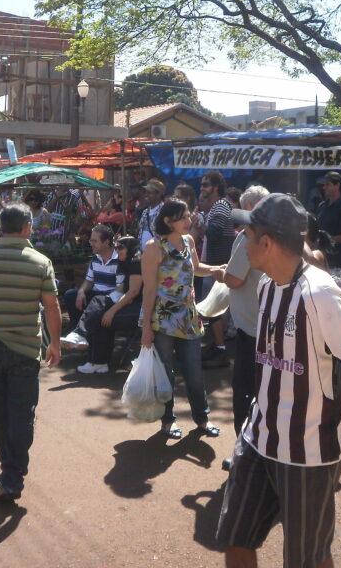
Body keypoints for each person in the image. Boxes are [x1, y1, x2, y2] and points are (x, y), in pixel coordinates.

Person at [217, 193, 341, 568]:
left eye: (247, 235)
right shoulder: (267, 285)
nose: (242, 242)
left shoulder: (320, 295)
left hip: (307, 454)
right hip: (258, 437)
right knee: (235, 538)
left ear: (267, 243)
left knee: (307, 559)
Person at [0, 202, 62, 503]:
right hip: (26, 348)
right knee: (22, 412)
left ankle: (9, 469)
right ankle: (13, 473)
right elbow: (52, 306)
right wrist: (55, 343)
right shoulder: (40, 261)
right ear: (28, 227)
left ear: (1, 227)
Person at [140, 198, 223, 439]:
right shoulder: (153, 248)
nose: (189, 221)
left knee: (194, 371)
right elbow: (149, 290)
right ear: (168, 221)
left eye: (188, 215)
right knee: (166, 373)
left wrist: (216, 269)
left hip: (188, 317)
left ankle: (202, 418)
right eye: (183, 217)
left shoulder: (188, 241)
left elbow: (195, 268)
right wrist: (146, 327)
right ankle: (168, 421)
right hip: (163, 319)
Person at [214, 184, 268, 470]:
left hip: (252, 328)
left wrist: (222, 273)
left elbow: (234, 279)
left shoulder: (249, 235)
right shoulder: (282, 232)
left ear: (250, 208)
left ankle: (243, 454)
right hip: (273, 327)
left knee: (245, 393)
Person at [75, 236, 144, 373]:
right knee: (99, 305)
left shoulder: (136, 262)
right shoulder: (126, 262)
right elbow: (122, 289)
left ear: (131, 248)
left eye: (121, 247)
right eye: (116, 247)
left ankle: (97, 360)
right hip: (131, 304)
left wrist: (111, 311)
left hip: (142, 309)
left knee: (103, 318)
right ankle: (95, 357)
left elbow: (133, 292)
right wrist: (108, 305)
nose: (117, 251)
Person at [60, 224, 121, 344]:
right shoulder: (95, 258)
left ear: (106, 242)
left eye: (94, 241)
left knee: (97, 301)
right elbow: (89, 280)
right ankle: (77, 334)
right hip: (96, 295)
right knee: (71, 295)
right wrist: (81, 291)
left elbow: (120, 290)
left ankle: (80, 335)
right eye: (91, 240)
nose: (91, 244)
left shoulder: (119, 260)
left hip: (110, 298)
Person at [200, 170, 236, 368]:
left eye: (205, 185)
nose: (202, 188)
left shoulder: (221, 205)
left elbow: (215, 232)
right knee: (213, 310)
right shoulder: (217, 206)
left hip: (218, 266)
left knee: (215, 310)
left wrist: (200, 226)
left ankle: (221, 351)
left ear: (215, 187)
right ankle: (216, 346)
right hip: (215, 265)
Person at [314, 171, 341, 268]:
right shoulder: (322, 206)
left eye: (328, 184)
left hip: (336, 260)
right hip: (319, 257)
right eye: (324, 185)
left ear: (337, 185)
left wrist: (325, 240)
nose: (324, 187)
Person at [137, 179, 165, 250]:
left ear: (158, 194)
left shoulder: (164, 212)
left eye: (149, 193)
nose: (146, 195)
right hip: (144, 254)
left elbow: (165, 237)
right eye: (146, 192)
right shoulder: (145, 212)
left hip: (159, 253)